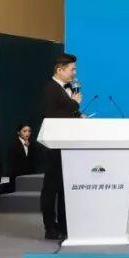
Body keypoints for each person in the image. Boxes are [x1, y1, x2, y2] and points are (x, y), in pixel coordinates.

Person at [40, 53, 82, 240]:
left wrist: (78, 117)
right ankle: (50, 226)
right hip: (55, 145)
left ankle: (65, 225)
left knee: (66, 187)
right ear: (59, 70)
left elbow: (66, 113)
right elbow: (50, 115)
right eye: (72, 69)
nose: (75, 73)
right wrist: (74, 104)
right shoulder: (50, 88)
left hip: (68, 143)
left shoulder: (68, 89)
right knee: (51, 187)